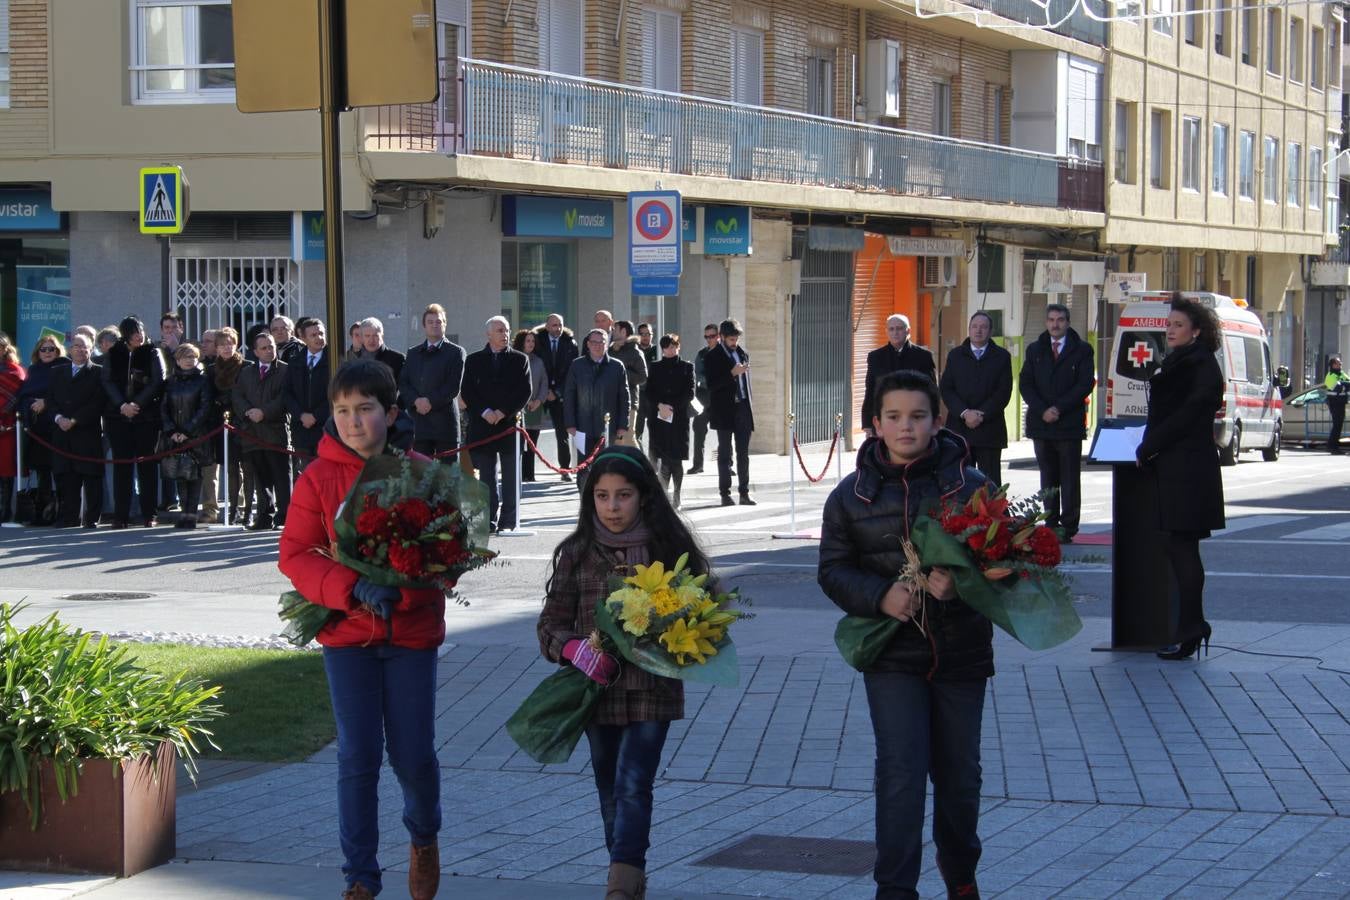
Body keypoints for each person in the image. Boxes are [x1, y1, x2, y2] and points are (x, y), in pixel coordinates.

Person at [818, 370, 992, 900]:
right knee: (901, 773)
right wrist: (879, 597)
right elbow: (832, 570)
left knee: (960, 778)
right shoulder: (850, 497)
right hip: (891, 655)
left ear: (938, 420)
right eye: (893, 417)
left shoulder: (974, 487)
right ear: (874, 424)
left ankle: (960, 873)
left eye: (917, 416)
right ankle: (895, 889)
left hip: (961, 655)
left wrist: (959, 585)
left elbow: (1005, 566)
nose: (905, 427)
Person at [278, 360, 444, 900]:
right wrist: (350, 586)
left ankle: (423, 837)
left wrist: (405, 587)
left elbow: (447, 553)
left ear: (390, 413)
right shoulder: (318, 476)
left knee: (413, 754)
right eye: (342, 411)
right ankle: (360, 877)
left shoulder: (420, 472)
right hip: (348, 638)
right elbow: (295, 553)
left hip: (410, 637)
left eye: (365, 409)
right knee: (357, 755)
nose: (353, 421)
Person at [536, 444, 714, 900]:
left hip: (651, 691)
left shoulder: (667, 549)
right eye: (602, 496)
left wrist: (684, 626)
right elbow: (550, 626)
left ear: (643, 497)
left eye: (623, 495)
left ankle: (621, 880)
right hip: (597, 694)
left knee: (635, 782)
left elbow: (704, 608)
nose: (613, 507)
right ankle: (628, 873)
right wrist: (573, 648)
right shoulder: (578, 552)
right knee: (609, 785)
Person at [1137, 294, 1226, 661]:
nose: (1169, 330)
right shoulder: (1180, 360)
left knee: (1183, 548)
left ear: (1196, 331)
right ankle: (1191, 627)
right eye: (1168, 324)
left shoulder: (1200, 365)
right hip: (1176, 466)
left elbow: (1187, 416)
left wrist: (1149, 446)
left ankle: (1192, 628)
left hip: (1189, 470)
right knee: (1178, 548)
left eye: (1177, 325)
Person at [1019, 304, 1095, 543]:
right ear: (1046, 322)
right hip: (1041, 424)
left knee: (1070, 477)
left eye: (1060, 320)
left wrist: (1059, 408)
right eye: (1051, 319)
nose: (1055, 324)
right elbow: (1026, 383)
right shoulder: (1035, 349)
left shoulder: (1082, 350)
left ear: (1068, 322)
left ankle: (1069, 526)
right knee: (1047, 476)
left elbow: (1084, 384)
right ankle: (1050, 523)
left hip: (1068, 424)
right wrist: (1043, 410)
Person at [461, 316, 531, 532]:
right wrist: (485, 412)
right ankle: (489, 519)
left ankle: (510, 520)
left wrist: (502, 412)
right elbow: (468, 391)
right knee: (487, 479)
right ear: (488, 334)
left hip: (510, 424)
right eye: (500, 330)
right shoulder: (473, 361)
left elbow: (524, 391)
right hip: (483, 426)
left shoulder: (520, 360)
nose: (505, 334)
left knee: (511, 477)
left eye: (507, 330)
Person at [102, 317, 166, 528]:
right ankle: (121, 515)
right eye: (133, 332)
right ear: (125, 335)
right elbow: (107, 381)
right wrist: (122, 405)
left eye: (140, 331)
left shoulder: (152, 352)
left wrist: (137, 404)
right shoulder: (113, 353)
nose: (138, 335)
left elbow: (158, 381)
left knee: (147, 465)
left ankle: (149, 514)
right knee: (122, 466)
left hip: (145, 417)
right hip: (118, 417)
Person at [940, 311, 1014, 486]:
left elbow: (1003, 392)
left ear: (990, 331)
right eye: (974, 326)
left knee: (990, 484)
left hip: (989, 429)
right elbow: (946, 389)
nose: (978, 331)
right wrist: (965, 413)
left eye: (983, 327)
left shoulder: (1002, 357)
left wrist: (981, 414)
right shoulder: (956, 355)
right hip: (959, 430)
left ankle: (992, 515)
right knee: (960, 483)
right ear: (969, 329)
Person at [233, 331, 291, 530]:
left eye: (271, 346)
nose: (269, 351)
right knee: (261, 478)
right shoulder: (247, 372)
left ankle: (285, 516)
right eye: (264, 348)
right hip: (252, 433)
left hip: (275, 432)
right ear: (255, 352)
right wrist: (248, 412)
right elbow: (237, 395)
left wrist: (264, 412)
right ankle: (265, 515)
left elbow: (285, 398)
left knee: (281, 477)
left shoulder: (285, 371)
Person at [49, 334, 104, 528]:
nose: (80, 350)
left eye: (85, 347)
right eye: (77, 346)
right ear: (70, 349)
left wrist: (74, 420)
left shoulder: (98, 372)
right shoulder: (57, 372)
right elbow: (50, 400)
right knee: (67, 477)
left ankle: (92, 518)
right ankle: (69, 516)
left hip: (86, 432)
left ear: (91, 350)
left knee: (92, 477)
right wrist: (59, 418)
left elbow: (98, 402)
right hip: (62, 433)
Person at [564, 329, 630, 492]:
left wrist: (623, 424)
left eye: (601, 342)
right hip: (582, 426)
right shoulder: (577, 365)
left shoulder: (616, 366)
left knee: (605, 468)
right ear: (587, 344)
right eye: (593, 342)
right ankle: (585, 504)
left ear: (607, 344)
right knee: (583, 468)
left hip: (608, 427)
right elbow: (569, 395)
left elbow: (624, 397)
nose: (597, 346)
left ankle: (602, 503)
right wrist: (570, 423)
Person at [161, 344, 215, 530]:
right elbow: (164, 407)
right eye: (185, 356)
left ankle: (191, 514)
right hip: (174, 435)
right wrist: (171, 431)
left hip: (196, 435)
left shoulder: (202, 380)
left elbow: (205, 407)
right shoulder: (170, 382)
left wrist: (187, 431)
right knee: (179, 474)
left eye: (193, 356)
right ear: (177, 360)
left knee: (195, 475)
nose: (189, 360)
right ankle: (183, 513)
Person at [400, 303, 464, 459]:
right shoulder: (413, 353)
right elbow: (404, 383)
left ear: (445, 324)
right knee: (422, 478)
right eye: (430, 322)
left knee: (447, 480)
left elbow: (452, 387)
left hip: (445, 426)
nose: (435, 325)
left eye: (439, 322)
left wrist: (429, 402)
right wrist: (416, 401)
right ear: (424, 325)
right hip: (419, 425)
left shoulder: (456, 352)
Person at [705, 318, 756, 506]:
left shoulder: (743, 354)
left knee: (743, 453)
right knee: (725, 453)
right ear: (722, 337)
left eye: (737, 339)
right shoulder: (712, 356)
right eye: (731, 340)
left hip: (742, 407)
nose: (735, 343)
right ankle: (725, 493)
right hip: (724, 410)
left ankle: (744, 492)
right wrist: (731, 374)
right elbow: (711, 385)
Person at [17, 335, 66, 525]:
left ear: (57, 350)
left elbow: (67, 393)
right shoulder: (34, 370)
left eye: (51, 349)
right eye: (43, 349)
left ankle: (62, 512)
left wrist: (46, 402)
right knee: (42, 472)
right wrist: (32, 403)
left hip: (57, 426)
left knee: (60, 472)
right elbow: (23, 396)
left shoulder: (64, 367)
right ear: (38, 352)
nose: (47, 352)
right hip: (37, 429)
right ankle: (43, 512)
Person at [200, 326, 247, 525]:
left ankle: (240, 507)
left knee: (237, 468)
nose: (227, 348)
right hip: (215, 422)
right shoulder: (210, 370)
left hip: (239, 422)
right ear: (216, 348)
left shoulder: (245, 366)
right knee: (211, 468)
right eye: (222, 345)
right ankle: (211, 509)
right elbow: (207, 396)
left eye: (230, 344)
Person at [861, 314, 936, 437]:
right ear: (887, 331)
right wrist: (867, 423)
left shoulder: (923, 356)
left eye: (899, 328)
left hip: (914, 421)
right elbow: (870, 391)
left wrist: (932, 420)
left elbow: (932, 391)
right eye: (891, 329)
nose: (895, 332)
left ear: (908, 331)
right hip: (884, 420)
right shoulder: (875, 357)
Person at [644, 334, 695, 509]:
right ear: (662, 349)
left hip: (679, 418)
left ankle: (677, 495)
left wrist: (671, 407)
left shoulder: (687, 367)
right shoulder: (656, 367)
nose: (670, 349)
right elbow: (649, 391)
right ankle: (664, 496)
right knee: (663, 458)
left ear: (678, 346)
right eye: (666, 347)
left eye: (673, 346)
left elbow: (690, 392)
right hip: (659, 418)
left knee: (676, 459)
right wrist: (660, 406)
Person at [533, 314, 578, 481]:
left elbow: (571, 373)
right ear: (547, 326)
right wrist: (543, 392)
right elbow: (534, 367)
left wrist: (557, 392)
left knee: (562, 432)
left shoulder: (570, 343)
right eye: (554, 325)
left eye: (560, 325)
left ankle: (565, 469)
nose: (557, 328)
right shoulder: (538, 341)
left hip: (560, 395)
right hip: (539, 392)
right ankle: (527, 472)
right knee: (531, 432)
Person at [286, 317, 332, 471]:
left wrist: (316, 416)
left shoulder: (334, 360)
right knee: (306, 472)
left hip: (326, 427)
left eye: (321, 333)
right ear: (303, 338)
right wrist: (301, 415)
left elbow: (337, 394)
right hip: (302, 428)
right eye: (313, 335)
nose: (319, 338)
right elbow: (287, 393)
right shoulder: (295, 362)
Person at [514, 328, 549, 483]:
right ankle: (519, 474)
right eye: (528, 341)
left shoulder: (538, 361)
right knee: (519, 444)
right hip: (518, 409)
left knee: (532, 443)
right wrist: (522, 400)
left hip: (535, 407)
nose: (531, 344)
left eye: (533, 341)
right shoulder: (514, 359)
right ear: (521, 342)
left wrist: (539, 401)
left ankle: (530, 474)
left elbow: (544, 383)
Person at [0, 331, 24, 524]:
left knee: (5, 469)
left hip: (6, 426)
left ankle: (5, 509)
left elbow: (18, 396)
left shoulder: (14, 370)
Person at [688, 324, 718, 475]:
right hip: (704, 397)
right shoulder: (702, 353)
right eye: (706, 337)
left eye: (712, 336)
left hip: (720, 398)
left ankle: (728, 465)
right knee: (699, 431)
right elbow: (697, 374)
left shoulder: (723, 352)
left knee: (724, 432)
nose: (709, 340)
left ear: (718, 336)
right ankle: (697, 465)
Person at [610, 321, 648, 437]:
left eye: (615, 329)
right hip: (612, 402)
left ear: (623, 331)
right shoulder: (611, 350)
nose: (612, 331)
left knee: (629, 438)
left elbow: (643, 377)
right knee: (617, 440)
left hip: (629, 402)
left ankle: (639, 456)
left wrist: (621, 372)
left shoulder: (635, 351)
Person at [358, 317, 405, 381]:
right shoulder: (354, 358)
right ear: (361, 338)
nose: (371, 340)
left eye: (375, 335)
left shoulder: (397, 359)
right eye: (367, 336)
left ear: (382, 336)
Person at [635, 323, 658, 449]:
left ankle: (654, 463)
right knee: (636, 431)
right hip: (638, 394)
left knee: (654, 430)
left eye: (647, 334)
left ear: (652, 335)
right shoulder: (634, 351)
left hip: (652, 395)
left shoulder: (657, 351)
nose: (645, 337)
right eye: (642, 334)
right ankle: (641, 459)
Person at [1325, 355, 1350, 454]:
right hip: (1334, 403)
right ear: (1333, 365)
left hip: (1341, 402)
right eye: (1338, 363)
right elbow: (1338, 388)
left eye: (1340, 363)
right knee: (1337, 425)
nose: (1340, 364)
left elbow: (1348, 384)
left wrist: (1344, 384)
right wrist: (1345, 385)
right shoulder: (1330, 376)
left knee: (1338, 425)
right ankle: (1332, 446)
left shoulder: (1341, 374)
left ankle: (1333, 445)